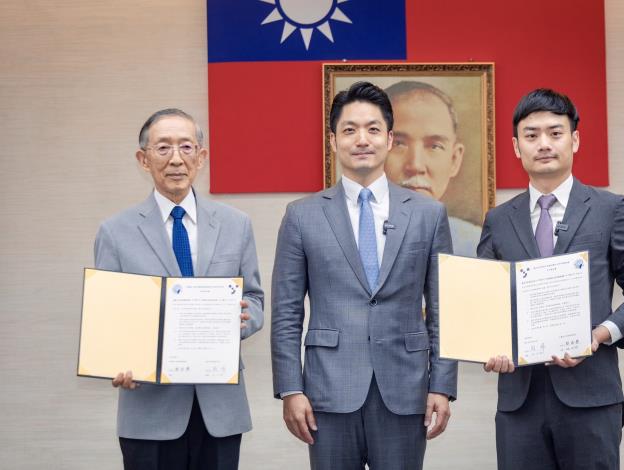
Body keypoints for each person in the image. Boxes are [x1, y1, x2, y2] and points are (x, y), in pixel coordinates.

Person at [271, 81, 458, 470]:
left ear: (389, 140)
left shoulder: (427, 214)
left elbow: (445, 309)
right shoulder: (302, 216)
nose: (362, 139)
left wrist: (442, 383)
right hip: (328, 390)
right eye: (349, 129)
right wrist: (290, 388)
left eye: (373, 129)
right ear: (333, 141)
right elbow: (286, 314)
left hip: (405, 390)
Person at [478, 89, 624, 469]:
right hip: (519, 401)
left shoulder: (610, 209)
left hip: (591, 397)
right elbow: (485, 301)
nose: (543, 144)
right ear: (516, 147)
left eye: (555, 133)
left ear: (575, 139)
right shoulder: (498, 220)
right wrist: (488, 343)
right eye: (531, 136)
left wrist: (597, 336)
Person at [94, 108, 264, 470]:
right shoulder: (115, 231)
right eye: (163, 148)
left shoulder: (236, 225)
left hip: (219, 408)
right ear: (143, 159)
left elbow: (255, 299)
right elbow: (106, 317)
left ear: (201, 157)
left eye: (186, 147)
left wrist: (242, 320)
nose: (176, 159)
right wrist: (115, 360)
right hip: (149, 411)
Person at [384, 80, 482, 257]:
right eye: (398, 144)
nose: (415, 165)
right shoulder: (346, 242)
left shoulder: (477, 247)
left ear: (454, 159)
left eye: (434, 146)